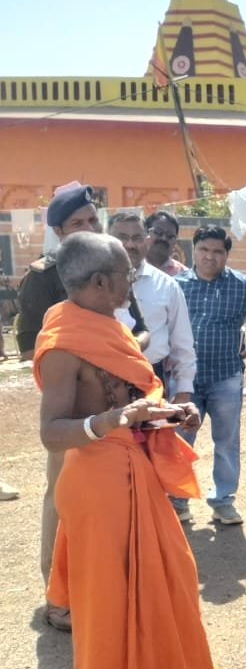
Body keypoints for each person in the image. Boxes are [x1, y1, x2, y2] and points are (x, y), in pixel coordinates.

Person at [34, 233, 246, 669]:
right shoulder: (64, 341)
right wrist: (112, 419)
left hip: (135, 470)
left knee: (171, 576)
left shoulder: (110, 325)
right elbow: (51, 431)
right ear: (102, 281)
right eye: (127, 274)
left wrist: (169, 412)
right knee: (113, 600)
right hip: (97, 484)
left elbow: (133, 395)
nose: (135, 281)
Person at [17, 184, 148, 630]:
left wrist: (121, 356)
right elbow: (32, 344)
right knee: (62, 499)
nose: (89, 228)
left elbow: (139, 330)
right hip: (72, 410)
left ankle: (111, 588)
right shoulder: (43, 277)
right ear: (57, 231)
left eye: (93, 220)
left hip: (118, 400)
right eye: (78, 223)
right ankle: (60, 595)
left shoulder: (111, 264)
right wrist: (81, 361)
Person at [174, 227, 246, 526]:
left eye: (217, 251)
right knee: (180, 441)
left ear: (226, 255)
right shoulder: (177, 284)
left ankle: (223, 501)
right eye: (204, 250)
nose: (210, 256)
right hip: (185, 379)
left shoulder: (241, 285)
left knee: (226, 441)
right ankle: (177, 500)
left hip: (225, 376)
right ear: (194, 250)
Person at [108, 211, 196, 421]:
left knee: (151, 450)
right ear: (107, 240)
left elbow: (182, 344)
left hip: (151, 383)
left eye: (137, 238)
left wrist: (183, 391)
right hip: (102, 383)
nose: (130, 245)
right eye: (122, 238)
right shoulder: (93, 284)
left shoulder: (167, 286)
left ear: (147, 241)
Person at [143, 210, 188, 277]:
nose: (164, 238)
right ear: (145, 232)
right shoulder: (133, 269)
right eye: (158, 232)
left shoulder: (183, 275)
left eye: (170, 236)